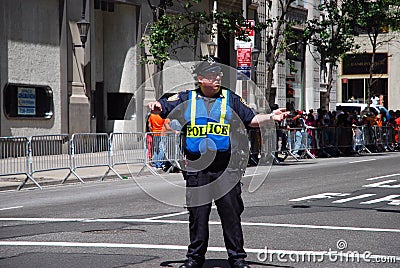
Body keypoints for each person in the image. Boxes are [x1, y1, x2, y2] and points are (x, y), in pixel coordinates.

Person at [147, 58, 289, 268]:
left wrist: (270, 117)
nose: (218, 78)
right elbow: (164, 106)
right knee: (198, 215)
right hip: (197, 168)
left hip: (226, 168)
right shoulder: (187, 98)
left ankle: (237, 258)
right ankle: (194, 258)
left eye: (219, 75)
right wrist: (156, 106)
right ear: (201, 79)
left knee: (230, 214)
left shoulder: (229, 99)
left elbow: (250, 119)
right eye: (212, 75)